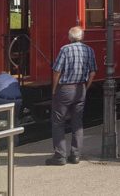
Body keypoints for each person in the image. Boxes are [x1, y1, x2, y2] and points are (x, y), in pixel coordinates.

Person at [46, 26, 97, 166]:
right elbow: (93, 72)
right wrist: (86, 86)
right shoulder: (89, 50)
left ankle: (60, 156)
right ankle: (75, 155)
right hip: (80, 88)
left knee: (58, 122)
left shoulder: (65, 49)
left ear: (70, 37)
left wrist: (54, 89)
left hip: (65, 89)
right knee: (77, 123)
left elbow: (57, 71)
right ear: (82, 37)